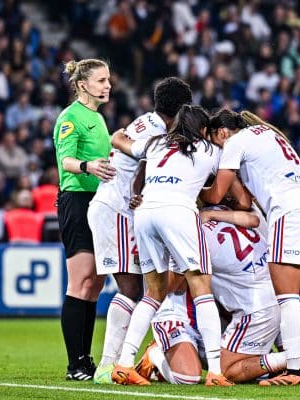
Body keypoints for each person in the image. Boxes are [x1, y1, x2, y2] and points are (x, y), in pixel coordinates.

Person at [134, 205, 300, 385]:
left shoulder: (196, 225)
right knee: (196, 375)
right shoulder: (235, 214)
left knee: (234, 369)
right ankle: (155, 353)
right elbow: (174, 287)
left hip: (242, 307)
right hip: (200, 309)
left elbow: (178, 283)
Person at [201, 110, 300, 385]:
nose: (217, 148)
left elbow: (215, 194)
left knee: (287, 297)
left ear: (222, 133)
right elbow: (247, 200)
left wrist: (192, 191)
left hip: (290, 211)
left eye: (214, 141)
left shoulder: (235, 143)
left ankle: (296, 368)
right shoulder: (268, 134)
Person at [109, 105, 234, 386]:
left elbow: (118, 139)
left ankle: (124, 364)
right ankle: (215, 370)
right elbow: (225, 183)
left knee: (153, 292)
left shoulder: (154, 144)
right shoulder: (208, 150)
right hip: (178, 212)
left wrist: (118, 134)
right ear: (203, 130)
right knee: (202, 290)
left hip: (145, 212)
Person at [89, 77, 193, 384]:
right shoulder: (159, 133)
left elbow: (118, 137)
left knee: (139, 288)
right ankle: (108, 366)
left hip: (117, 208)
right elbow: (145, 157)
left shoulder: (144, 121)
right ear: (182, 108)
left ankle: (117, 363)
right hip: (118, 211)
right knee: (133, 289)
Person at [53, 58, 117, 381]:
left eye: (108, 80)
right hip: (76, 201)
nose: (108, 86)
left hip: (99, 202)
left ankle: (85, 358)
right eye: (101, 81)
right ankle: (74, 363)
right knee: (80, 282)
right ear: (82, 85)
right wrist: (88, 166)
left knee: (95, 283)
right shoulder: (70, 118)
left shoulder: (98, 118)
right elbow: (65, 161)